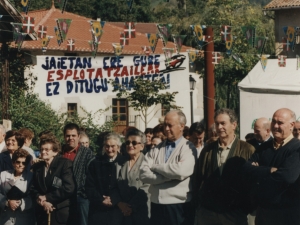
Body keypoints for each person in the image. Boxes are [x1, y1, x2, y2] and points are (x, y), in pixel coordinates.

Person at [193, 108, 255, 225]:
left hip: (234, 213)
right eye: (217, 124)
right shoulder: (208, 150)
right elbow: (198, 178)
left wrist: (246, 207)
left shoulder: (247, 149)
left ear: (234, 125)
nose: (219, 127)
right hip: (209, 213)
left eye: (223, 123)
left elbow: (252, 182)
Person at [243, 108, 300, 225]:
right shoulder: (264, 147)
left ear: (292, 125)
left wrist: (258, 171)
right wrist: (270, 170)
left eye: (280, 123)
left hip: (287, 215)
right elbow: (246, 169)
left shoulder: (296, 148)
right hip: (264, 213)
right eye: (274, 121)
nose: (275, 126)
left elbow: (287, 177)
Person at [140, 110, 197, 225]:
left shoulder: (188, 148)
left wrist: (155, 167)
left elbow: (181, 171)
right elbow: (143, 174)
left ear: (182, 126)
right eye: (165, 125)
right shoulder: (156, 148)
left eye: (170, 125)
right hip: (157, 205)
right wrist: (169, 176)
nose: (166, 129)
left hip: (178, 206)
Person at [31, 135, 76, 225]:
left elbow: (69, 187)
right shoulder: (37, 167)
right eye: (42, 149)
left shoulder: (64, 164)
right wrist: (42, 201)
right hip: (42, 213)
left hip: (59, 212)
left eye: (47, 150)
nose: (43, 152)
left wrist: (48, 197)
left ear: (55, 152)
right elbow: (32, 188)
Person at [85, 133, 126, 225]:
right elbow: (89, 186)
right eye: (107, 146)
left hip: (119, 209)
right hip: (98, 209)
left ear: (118, 147)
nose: (110, 149)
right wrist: (101, 199)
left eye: (113, 146)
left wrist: (115, 199)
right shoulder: (96, 163)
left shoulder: (124, 163)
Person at [62, 123, 94, 225]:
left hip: (81, 197)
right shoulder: (59, 152)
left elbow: (91, 177)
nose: (70, 138)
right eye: (68, 136)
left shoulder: (87, 153)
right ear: (64, 137)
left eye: (73, 135)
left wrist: (83, 193)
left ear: (78, 137)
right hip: (62, 197)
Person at [118, 129, 150, 225]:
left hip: (140, 212)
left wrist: (130, 207)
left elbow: (147, 186)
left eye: (134, 142)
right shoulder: (119, 162)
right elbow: (113, 185)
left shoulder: (147, 163)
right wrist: (120, 204)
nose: (130, 145)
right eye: (127, 142)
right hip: (122, 212)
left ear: (142, 146)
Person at [0, 149, 34, 225]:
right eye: (18, 162)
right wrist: (7, 202)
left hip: (23, 217)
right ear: (13, 162)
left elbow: (33, 196)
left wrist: (20, 203)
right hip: (6, 217)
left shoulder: (31, 177)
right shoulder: (3, 175)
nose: (21, 165)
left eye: (24, 163)